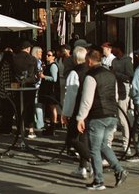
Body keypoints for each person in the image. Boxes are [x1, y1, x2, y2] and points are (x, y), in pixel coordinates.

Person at [75, 49, 128, 190]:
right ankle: (119, 170)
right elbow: (115, 96)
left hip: (97, 115)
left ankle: (99, 181)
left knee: (95, 149)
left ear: (90, 60)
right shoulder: (111, 75)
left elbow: (87, 99)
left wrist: (80, 117)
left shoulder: (91, 76)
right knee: (104, 146)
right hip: (111, 114)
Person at [62, 45, 92, 179]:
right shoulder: (91, 71)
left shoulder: (75, 73)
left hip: (77, 109)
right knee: (84, 138)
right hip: (89, 108)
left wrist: (65, 113)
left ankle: (90, 159)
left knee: (72, 138)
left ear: (74, 58)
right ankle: (83, 166)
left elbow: (70, 95)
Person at [109, 43, 134, 156]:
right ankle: (108, 144)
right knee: (112, 117)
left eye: (113, 48)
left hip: (124, 91)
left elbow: (129, 77)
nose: (111, 50)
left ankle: (126, 144)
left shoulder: (127, 61)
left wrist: (116, 74)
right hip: (114, 91)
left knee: (122, 118)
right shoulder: (114, 61)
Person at [12, 40, 39, 139]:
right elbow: (36, 73)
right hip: (30, 85)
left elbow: (12, 72)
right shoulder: (32, 59)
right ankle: (31, 129)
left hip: (17, 85)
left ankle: (20, 129)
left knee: (19, 107)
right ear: (28, 49)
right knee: (30, 107)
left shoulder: (14, 58)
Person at [39, 50, 60, 136]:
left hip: (52, 90)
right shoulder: (48, 65)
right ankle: (52, 126)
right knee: (51, 108)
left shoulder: (53, 66)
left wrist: (44, 76)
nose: (47, 56)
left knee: (53, 108)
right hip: (50, 90)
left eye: (49, 55)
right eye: (46, 54)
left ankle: (53, 126)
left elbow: (54, 79)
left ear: (53, 57)